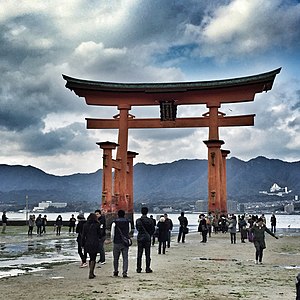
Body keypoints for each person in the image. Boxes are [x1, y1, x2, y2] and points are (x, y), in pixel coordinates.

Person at [111, 209, 131, 277]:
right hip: (125, 242)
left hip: (117, 241)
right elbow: (129, 231)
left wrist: (112, 240)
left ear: (118, 215)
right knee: (125, 258)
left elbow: (112, 233)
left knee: (116, 258)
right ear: (124, 214)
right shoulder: (128, 222)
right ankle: (124, 272)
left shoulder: (114, 223)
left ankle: (116, 271)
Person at [82, 213, 101, 279]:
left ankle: (91, 272)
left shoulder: (85, 225)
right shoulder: (97, 225)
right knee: (93, 258)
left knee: (90, 257)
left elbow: (83, 235)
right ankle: (91, 272)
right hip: (95, 242)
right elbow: (99, 234)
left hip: (87, 242)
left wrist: (82, 244)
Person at [135, 206, 155, 273]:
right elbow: (153, 230)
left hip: (140, 237)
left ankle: (138, 268)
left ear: (141, 212)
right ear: (147, 212)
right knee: (147, 254)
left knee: (139, 254)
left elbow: (137, 229)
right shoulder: (150, 220)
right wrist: (149, 234)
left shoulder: (138, 220)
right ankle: (147, 268)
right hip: (147, 238)